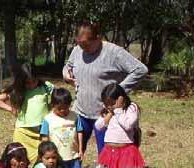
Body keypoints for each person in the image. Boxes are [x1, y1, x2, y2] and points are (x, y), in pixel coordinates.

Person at [63, 21, 148, 156]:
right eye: (79, 43)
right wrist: (66, 74)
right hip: (80, 112)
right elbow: (69, 65)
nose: (82, 48)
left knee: (107, 157)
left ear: (98, 38)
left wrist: (118, 91)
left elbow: (140, 70)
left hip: (106, 115)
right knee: (73, 152)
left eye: (86, 44)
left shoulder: (114, 53)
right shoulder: (77, 50)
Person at [0, 63, 54, 164]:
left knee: (43, 160)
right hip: (23, 132)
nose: (31, 85)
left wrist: (50, 109)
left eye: (33, 81)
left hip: (42, 133)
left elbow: (57, 98)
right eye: (27, 83)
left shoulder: (46, 87)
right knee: (20, 161)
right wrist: (11, 109)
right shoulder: (19, 90)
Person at [40, 87, 84, 168]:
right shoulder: (48, 119)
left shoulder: (74, 116)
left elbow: (79, 132)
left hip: (72, 154)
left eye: (66, 108)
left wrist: (81, 149)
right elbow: (44, 137)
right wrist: (45, 152)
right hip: (57, 156)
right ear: (53, 105)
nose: (63, 111)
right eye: (59, 108)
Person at [95, 83, 145, 168]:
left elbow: (128, 125)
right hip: (109, 152)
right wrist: (109, 113)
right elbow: (98, 126)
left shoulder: (131, 108)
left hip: (126, 152)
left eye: (112, 103)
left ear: (121, 98)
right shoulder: (108, 111)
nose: (109, 106)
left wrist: (118, 110)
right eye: (107, 104)